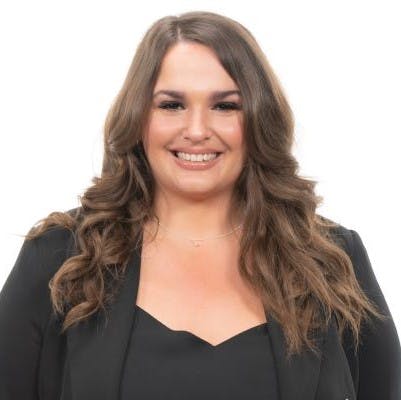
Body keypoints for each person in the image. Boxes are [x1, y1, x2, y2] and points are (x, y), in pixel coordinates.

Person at [0, 10, 400, 400]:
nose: (196, 130)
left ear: (259, 119)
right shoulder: (60, 257)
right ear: (139, 119)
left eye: (225, 106)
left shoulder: (331, 260)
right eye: (171, 105)